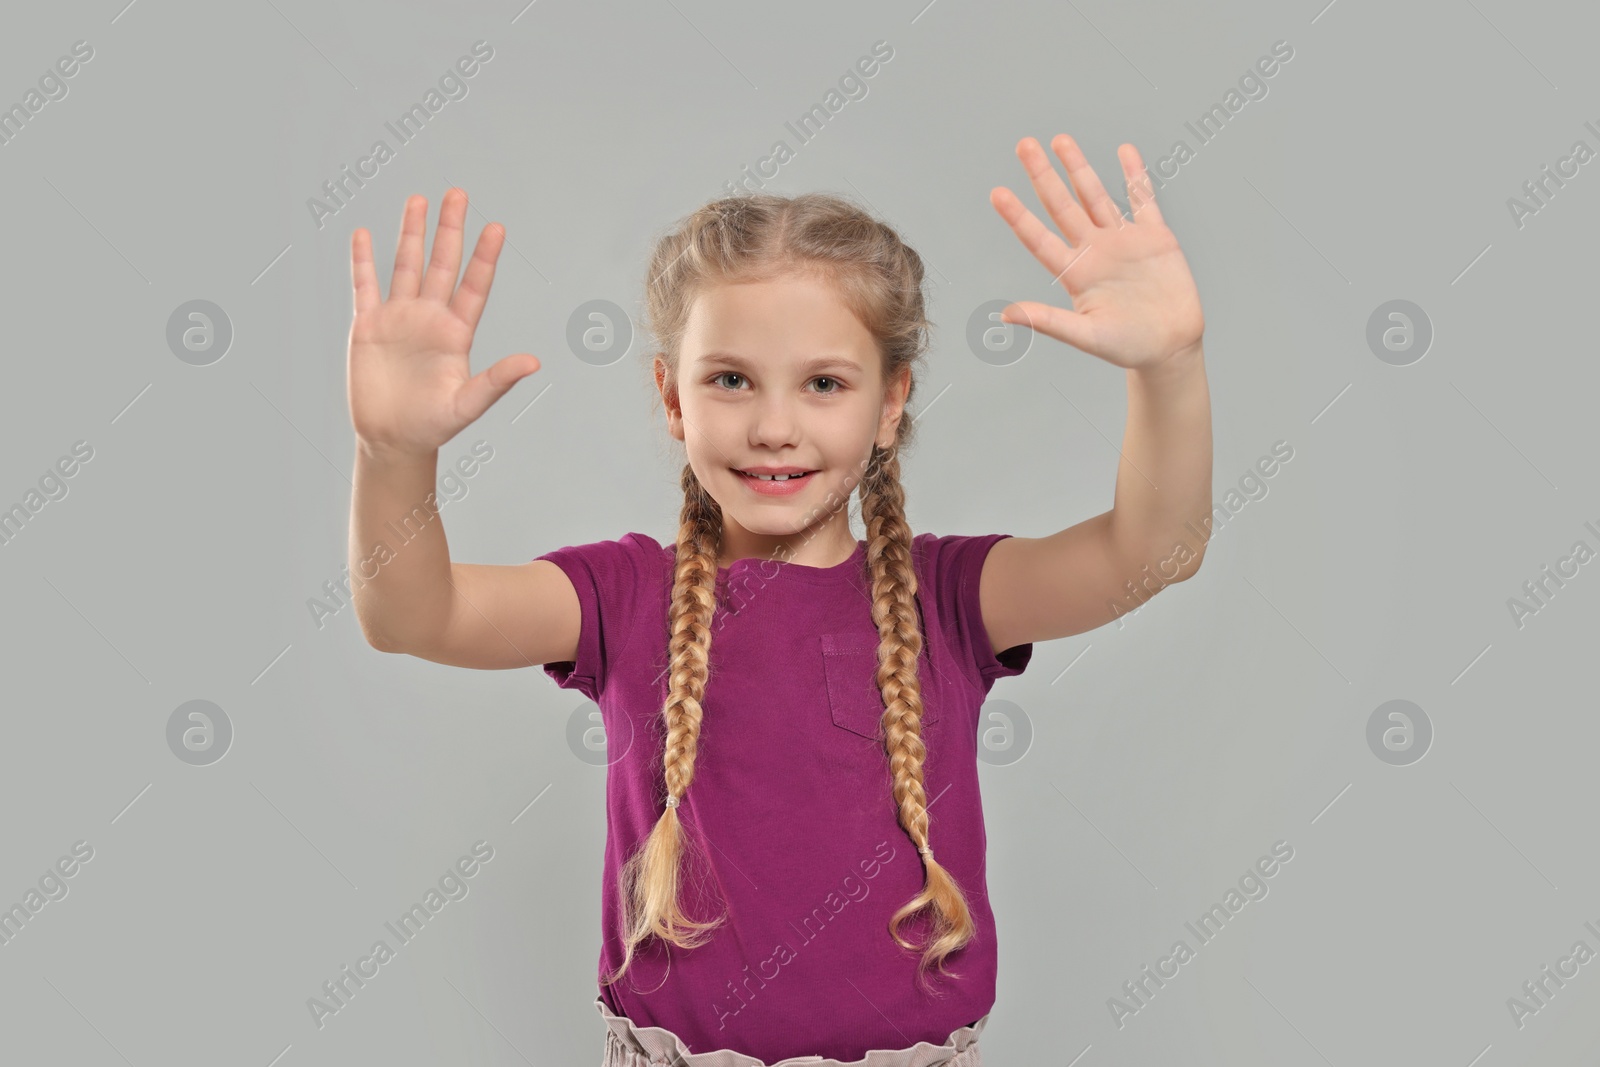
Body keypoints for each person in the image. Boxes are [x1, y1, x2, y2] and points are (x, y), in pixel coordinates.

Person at [345, 132, 1211, 1066]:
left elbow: (1153, 550)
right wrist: (395, 455)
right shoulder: (622, 595)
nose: (773, 425)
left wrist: (1168, 368)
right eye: (729, 380)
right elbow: (411, 615)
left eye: (825, 384)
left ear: (890, 402)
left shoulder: (949, 598)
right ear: (673, 399)